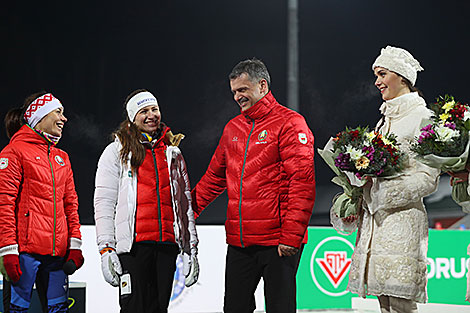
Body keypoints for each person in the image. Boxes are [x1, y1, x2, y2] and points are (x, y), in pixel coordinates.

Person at [191, 58, 315, 313]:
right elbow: (213, 179)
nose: (238, 97)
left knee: (280, 308)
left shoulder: (291, 123)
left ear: (262, 85)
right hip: (240, 241)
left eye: (243, 90)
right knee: (234, 308)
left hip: (278, 242)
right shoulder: (232, 128)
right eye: (234, 92)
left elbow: (302, 184)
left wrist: (292, 236)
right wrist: (186, 212)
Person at [332, 46, 440, 313]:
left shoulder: (423, 117)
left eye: (382, 74)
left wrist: (381, 194)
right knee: (383, 302)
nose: (377, 81)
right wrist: (357, 187)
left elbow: (428, 179)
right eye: (375, 75)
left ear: (402, 77)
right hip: (374, 224)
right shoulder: (383, 121)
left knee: (401, 305)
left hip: (402, 222)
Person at [93, 89, 199, 313]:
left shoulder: (173, 154)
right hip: (133, 249)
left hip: (167, 247)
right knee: (133, 308)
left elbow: (185, 204)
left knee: (159, 309)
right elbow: (104, 202)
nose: (152, 115)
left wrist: (191, 250)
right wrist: (106, 249)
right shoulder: (116, 152)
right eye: (144, 111)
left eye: (155, 109)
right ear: (132, 118)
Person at [0, 92, 84, 313]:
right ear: (40, 115)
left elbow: (71, 205)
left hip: (57, 256)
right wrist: (7, 250)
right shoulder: (14, 151)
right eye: (58, 111)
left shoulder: (62, 157)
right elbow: (4, 203)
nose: (64, 118)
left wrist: (74, 245)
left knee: (59, 310)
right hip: (24, 254)